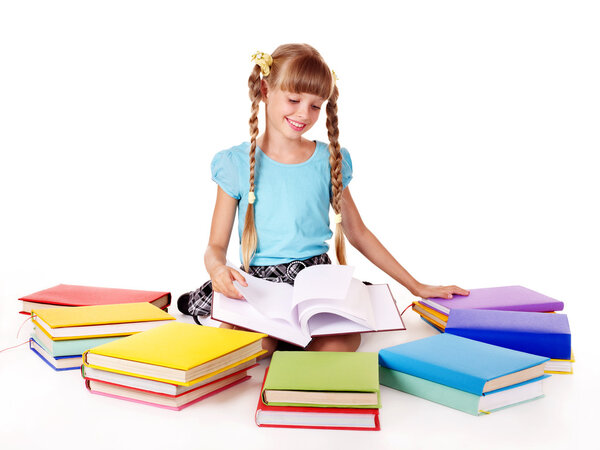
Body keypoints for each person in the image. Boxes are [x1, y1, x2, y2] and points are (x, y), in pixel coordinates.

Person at [178, 43, 468, 356]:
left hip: (316, 283)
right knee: (249, 349)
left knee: (338, 347)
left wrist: (417, 286)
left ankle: (297, 343)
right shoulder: (234, 163)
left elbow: (359, 233)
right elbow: (215, 247)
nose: (304, 113)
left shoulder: (327, 160)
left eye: (316, 105)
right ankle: (247, 325)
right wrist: (217, 270)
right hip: (261, 286)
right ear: (265, 89)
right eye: (294, 99)